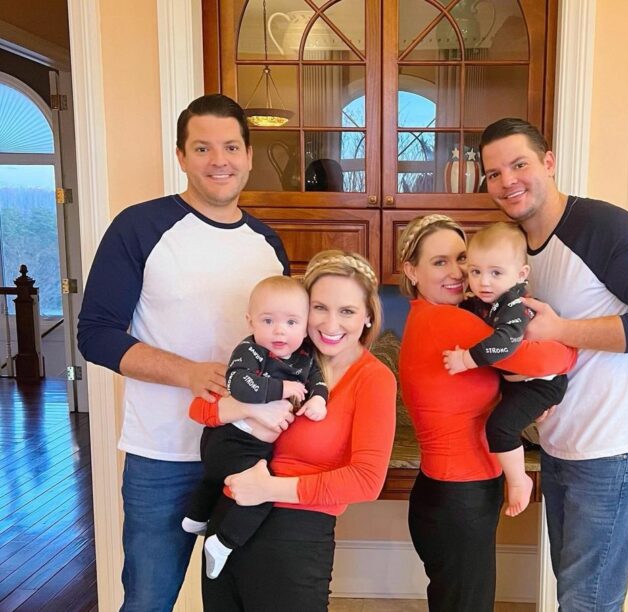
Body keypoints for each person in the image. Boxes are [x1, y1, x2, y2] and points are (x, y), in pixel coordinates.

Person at [77, 94, 294, 611]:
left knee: (244, 601)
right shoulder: (140, 227)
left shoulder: (267, 243)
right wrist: (189, 373)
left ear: (247, 155)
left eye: (231, 147)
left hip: (250, 453)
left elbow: (290, 341)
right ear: (180, 156)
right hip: (164, 456)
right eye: (202, 147)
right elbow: (96, 333)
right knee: (149, 601)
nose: (219, 160)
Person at [479, 117, 628, 610]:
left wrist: (562, 330)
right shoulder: (513, 248)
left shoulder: (603, 226)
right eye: (493, 173)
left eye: (519, 164)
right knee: (575, 590)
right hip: (560, 444)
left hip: (613, 446)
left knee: (588, 600)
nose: (507, 181)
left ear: (548, 163)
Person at [188, 249, 397, 611]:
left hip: (297, 533)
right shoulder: (276, 352)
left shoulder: (374, 379)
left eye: (347, 311)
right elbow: (200, 407)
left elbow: (367, 480)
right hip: (229, 517)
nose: (331, 324)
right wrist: (247, 406)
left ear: (367, 317)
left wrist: (270, 487)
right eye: (320, 308)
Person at [397, 214, 577, 612]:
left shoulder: (430, 316)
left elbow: (469, 396)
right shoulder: (450, 320)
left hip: (441, 492)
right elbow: (552, 358)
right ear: (411, 270)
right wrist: (568, 336)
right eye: (438, 262)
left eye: (461, 258)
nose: (457, 272)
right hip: (461, 497)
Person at [181, 275, 328, 579]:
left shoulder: (304, 358)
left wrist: (318, 401)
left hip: (252, 445)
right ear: (250, 322)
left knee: (216, 479)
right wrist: (282, 388)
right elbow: (241, 385)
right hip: (232, 439)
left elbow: (318, 382)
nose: (279, 330)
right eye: (268, 320)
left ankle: (195, 518)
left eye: (291, 322)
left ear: (305, 326)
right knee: (260, 494)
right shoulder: (250, 352)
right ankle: (222, 543)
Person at [442, 222, 568, 517]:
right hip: (520, 382)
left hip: (540, 384)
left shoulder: (515, 304)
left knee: (499, 426)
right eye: (475, 272)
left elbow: (505, 343)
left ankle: (519, 480)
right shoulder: (488, 300)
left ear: (521, 274)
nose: (484, 282)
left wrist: (467, 360)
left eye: (496, 273)